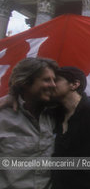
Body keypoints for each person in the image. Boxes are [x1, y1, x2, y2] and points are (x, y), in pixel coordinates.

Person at [0, 57, 59, 189]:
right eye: (46, 80)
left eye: (54, 80)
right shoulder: (3, 116)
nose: (53, 85)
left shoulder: (56, 114)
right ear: (25, 82)